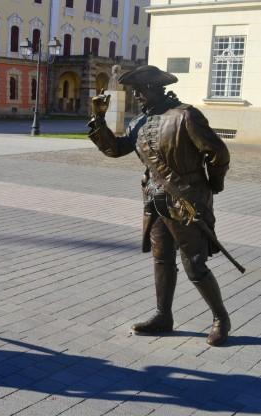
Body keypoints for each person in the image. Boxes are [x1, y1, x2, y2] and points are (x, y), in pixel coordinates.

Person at [88, 65, 231, 346]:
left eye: (140, 90)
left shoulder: (185, 115)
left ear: (155, 87)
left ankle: (221, 318)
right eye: (135, 91)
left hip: (187, 200)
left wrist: (211, 185)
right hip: (154, 200)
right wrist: (98, 119)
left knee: (195, 265)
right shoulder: (139, 122)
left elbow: (218, 153)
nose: (137, 96)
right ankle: (163, 316)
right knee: (162, 259)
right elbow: (116, 149)